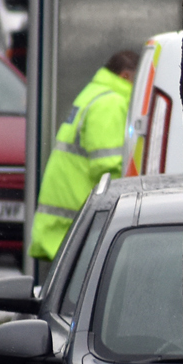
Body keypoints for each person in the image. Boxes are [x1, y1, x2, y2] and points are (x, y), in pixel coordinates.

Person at [29, 50, 138, 275]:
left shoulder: (94, 94)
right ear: (126, 76)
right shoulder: (111, 102)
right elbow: (107, 168)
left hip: (64, 224)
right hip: (78, 227)